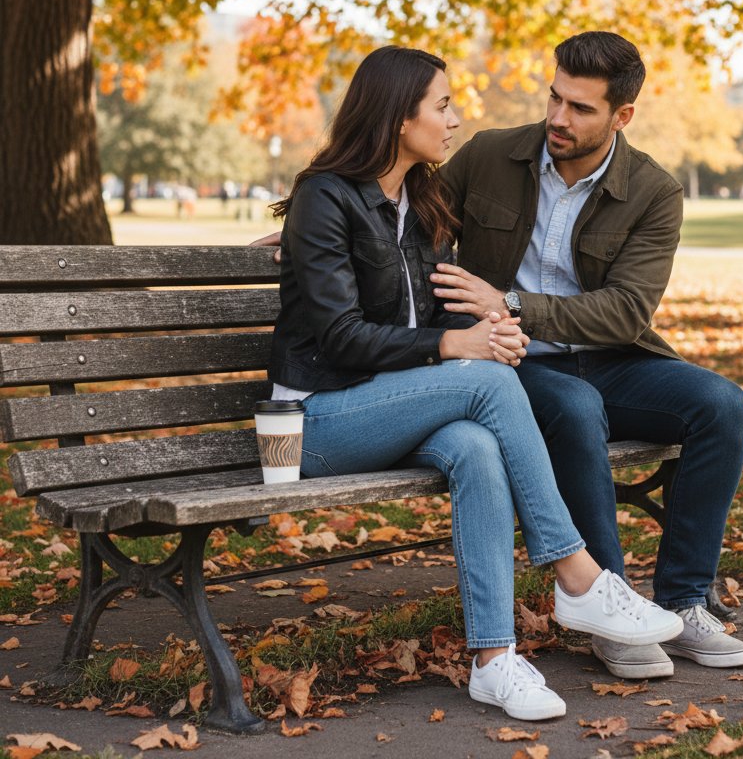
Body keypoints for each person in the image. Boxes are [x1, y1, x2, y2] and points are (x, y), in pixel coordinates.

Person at [266, 45, 683, 720]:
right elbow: (339, 336)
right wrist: (456, 344)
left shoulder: (422, 200)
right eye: (442, 106)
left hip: (395, 407)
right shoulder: (327, 197)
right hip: (308, 425)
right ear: (401, 117)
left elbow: (438, 302)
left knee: (478, 448)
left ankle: (494, 661)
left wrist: (496, 330)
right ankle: (577, 574)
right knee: (484, 384)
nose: (455, 120)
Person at [430, 32, 743, 680]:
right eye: (554, 98)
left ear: (622, 116)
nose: (558, 117)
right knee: (575, 407)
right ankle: (610, 606)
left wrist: (512, 302)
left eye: (581, 108)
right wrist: (306, 218)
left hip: (611, 356)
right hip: (512, 362)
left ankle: (684, 601)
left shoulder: (654, 191)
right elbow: (407, 210)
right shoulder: (492, 154)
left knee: (722, 405)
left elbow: (626, 310)